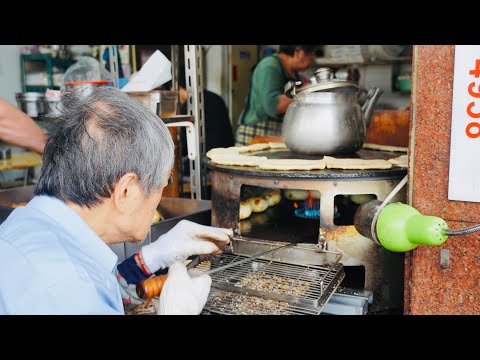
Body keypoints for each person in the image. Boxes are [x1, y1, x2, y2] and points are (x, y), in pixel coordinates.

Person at [0, 87, 232, 315]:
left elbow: (99, 287)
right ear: (126, 191)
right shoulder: (67, 293)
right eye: (162, 185)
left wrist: (149, 258)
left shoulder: (24, 224)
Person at [235, 45, 317, 146]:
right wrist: (306, 91)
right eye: (311, 55)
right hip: (256, 133)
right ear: (298, 52)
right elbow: (273, 106)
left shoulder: (293, 73)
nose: (313, 59)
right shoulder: (270, 66)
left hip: (275, 133)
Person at [177, 65, 234, 152]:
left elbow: (184, 144)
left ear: (179, 87)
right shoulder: (216, 98)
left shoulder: (189, 106)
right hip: (225, 154)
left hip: (205, 159)